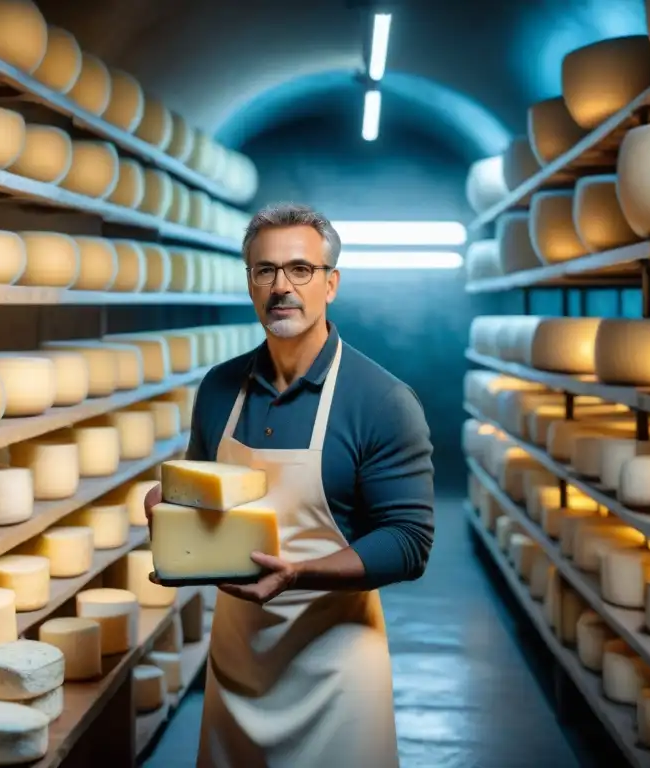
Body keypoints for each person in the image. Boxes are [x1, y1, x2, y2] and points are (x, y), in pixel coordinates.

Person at [145, 202, 435, 768]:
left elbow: (408, 542)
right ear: (250, 283)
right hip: (237, 660)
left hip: (335, 669)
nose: (283, 287)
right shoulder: (218, 388)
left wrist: (299, 573)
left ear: (331, 283)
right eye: (265, 270)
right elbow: (202, 492)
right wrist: (170, 516)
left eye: (301, 270)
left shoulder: (381, 401)